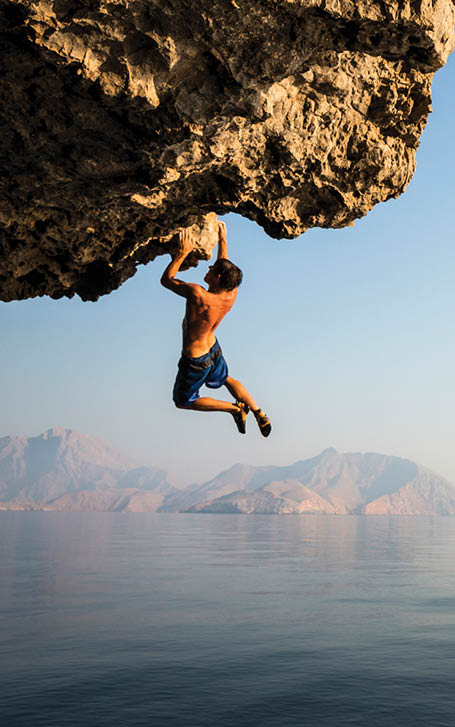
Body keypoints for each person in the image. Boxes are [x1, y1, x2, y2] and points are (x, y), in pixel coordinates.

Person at [160, 221, 271, 436]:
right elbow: (224, 264)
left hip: (196, 360)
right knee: (226, 379)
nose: (208, 268)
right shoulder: (231, 293)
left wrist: (182, 254)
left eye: (211, 269)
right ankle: (259, 412)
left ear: (217, 277)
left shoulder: (198, 294)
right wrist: (223, 238)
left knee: (183, 401)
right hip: (213, 349)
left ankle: (234, 409)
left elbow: (167, 280)